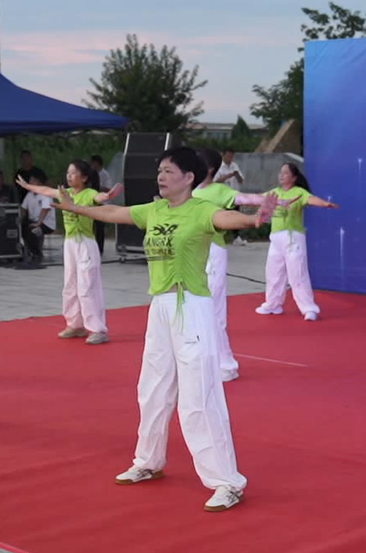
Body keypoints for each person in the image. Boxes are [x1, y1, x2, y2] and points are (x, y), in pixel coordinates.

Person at [49, 147, 276, 511]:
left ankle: (226, 481)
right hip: (160, 307)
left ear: (190, 177)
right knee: (152, 389)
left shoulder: (201, 209)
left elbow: (225, 218)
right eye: (160, 170)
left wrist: (253, 220)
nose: (161, 176)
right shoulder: (153, 210)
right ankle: (148, 462)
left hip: (192, 308)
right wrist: (74, 208)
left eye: (169, 170)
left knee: (197, 398)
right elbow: (113, 212)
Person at [14, 163, 123, 344]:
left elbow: (99, 197)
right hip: (70, 243)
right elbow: (46, 190)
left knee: (87, 286)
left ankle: (97, 329)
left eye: (73, 173)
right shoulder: (66, 193)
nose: (69, 176)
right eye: (68, 173)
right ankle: (75, 324)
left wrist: (108, 196)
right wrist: (27, 187)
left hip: (85, 244)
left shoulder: (88, 194)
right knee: (70, 284)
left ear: (84, 177)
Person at [190, 147, 267, 380]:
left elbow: (244, 198)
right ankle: (205, 359)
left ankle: (226, 365)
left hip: (213, 253)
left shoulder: (218, 190)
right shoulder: (190, 192)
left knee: (213, 309)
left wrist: (271, 199)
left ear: (209, 169)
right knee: (196, 309)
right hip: (193, 254)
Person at [255, 163, 337, 321]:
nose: (281, 175)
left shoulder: (299, 192)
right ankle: (273, 304)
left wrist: (324, 203)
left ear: (293, 177)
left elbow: (311, 199)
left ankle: (309, 308)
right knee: (273, 273)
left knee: (297, 273)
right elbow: (258, 199)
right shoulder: (274, 193)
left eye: (285, 173)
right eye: (280, 172)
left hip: (293, 238)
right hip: (276, 238)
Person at [17, 170, 55, 269]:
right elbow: (24, 208)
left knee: (33, 231)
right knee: (21, 228)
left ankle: (37, 254)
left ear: (39, 182)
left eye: (32, 180)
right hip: (33, 221)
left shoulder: (45, 194)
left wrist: (38, 223)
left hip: (46, 223)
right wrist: (21, 218)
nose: (30, 182)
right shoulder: (29, 194)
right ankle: (26, 252)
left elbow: (45, 209)